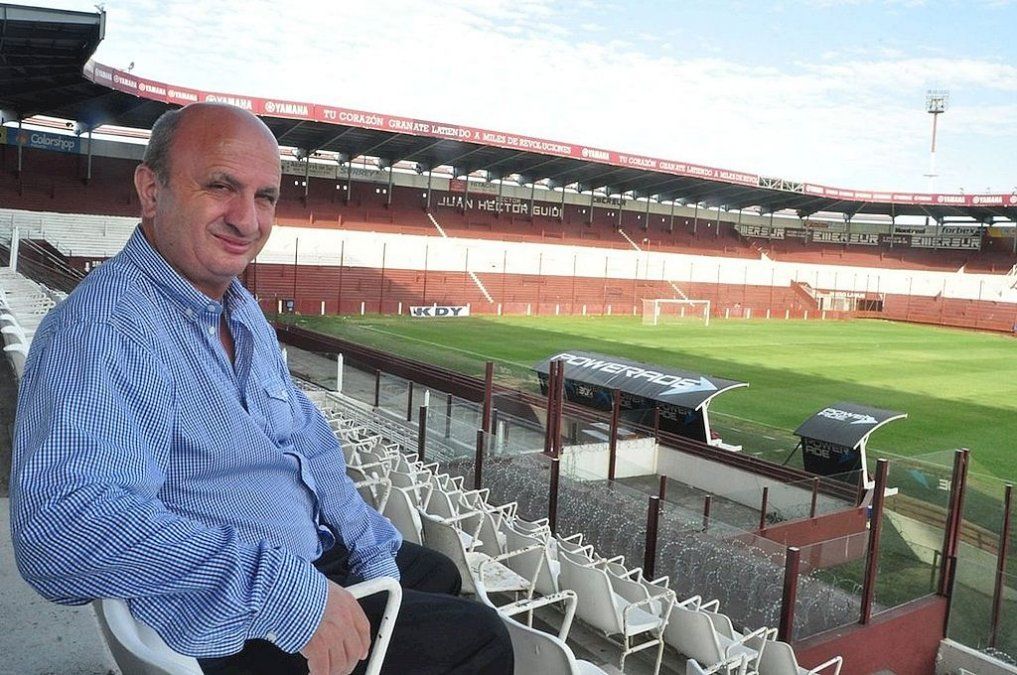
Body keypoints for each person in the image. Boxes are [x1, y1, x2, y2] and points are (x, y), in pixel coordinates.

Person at [10, 103, 513, 675]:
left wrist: (370, 546)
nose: (247, 220)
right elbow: (61, 531)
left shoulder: (238, 306)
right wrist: (287, 591)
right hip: (231, 615)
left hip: (299, 552)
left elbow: (307, 442)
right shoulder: (105, 329)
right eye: (221, 186)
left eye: (266, 196)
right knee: (481, 639)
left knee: (435, 572)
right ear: (151, 191)